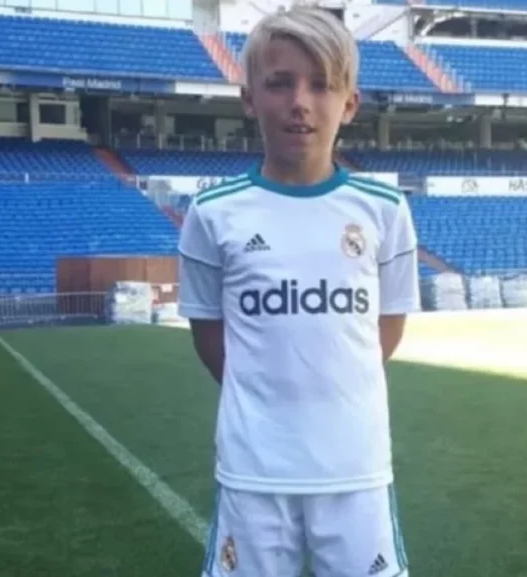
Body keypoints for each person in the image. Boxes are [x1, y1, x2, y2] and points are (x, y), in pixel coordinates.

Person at [177, 6, 420, 576]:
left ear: (350, 104)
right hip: (254, 470)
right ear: (248, 98)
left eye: (321, 85)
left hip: (355, 468)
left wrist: (334, 388)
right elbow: (211, 339)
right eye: (279, 83)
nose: (300, 103)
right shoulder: (213, 214)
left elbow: (385, 331)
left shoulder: (385, 212)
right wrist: (265, 403)